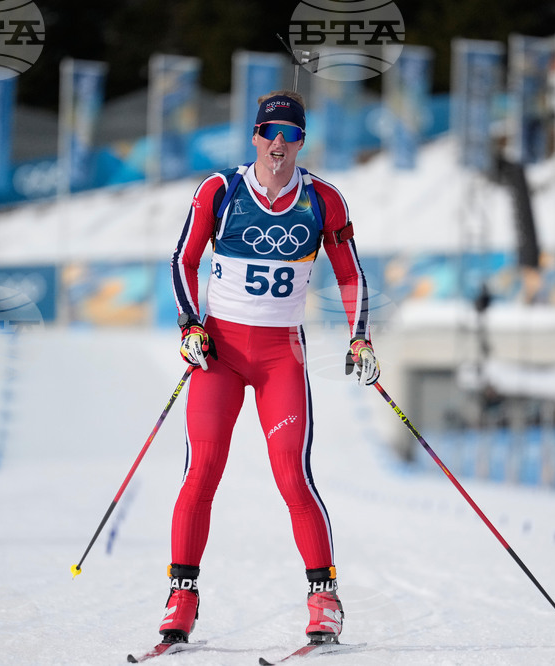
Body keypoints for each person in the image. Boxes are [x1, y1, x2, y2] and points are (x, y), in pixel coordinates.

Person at [162, 90, 379, 646]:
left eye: (291, 134)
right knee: (201, 471)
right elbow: (184, 259)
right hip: (220, 354)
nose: (279, 143)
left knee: (292, 475)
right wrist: (190, 326)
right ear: (255, 136)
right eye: (269, 133)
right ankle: (182, 598)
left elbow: (349, 274)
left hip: (282, 355)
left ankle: (324, 598)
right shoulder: (220, 190)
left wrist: (359, 338)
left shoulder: (323, 199)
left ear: (302, 140)